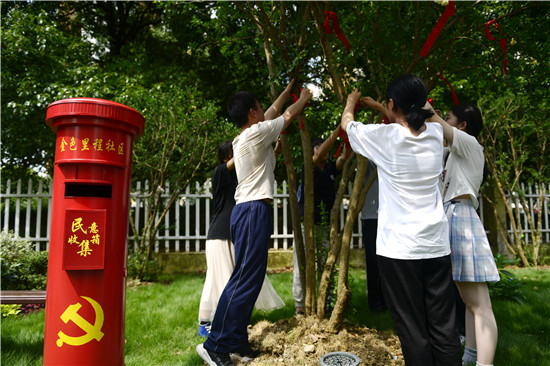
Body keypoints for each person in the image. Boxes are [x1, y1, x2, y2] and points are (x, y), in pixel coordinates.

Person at [341, 74, 462, 366]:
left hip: (398, 252)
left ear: (392, 104)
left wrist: (352, 102)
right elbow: (417, 116)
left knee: (413, 331)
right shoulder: (435, 136)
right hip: (435, 246)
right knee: (444, 329)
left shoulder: (385, 138)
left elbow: (348, 124)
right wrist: (394, 105)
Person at [197, 80, 312, 366]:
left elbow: (273, 110)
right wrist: (305, 97)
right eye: (260, 107)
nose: (264, 110)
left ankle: (235, 341)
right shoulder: (258, 133)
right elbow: (285, 116)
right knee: (244, 278)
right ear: (252, 113)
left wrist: (286, 91)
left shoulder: (245, 137)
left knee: (249, 277)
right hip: (252, 210)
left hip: (250, 210)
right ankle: (215, 345)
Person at [427, 103, 500, 366]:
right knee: (470, 302)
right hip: (454, 216)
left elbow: (432, 117)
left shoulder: (469, 142)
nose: (443, 121)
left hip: (462, 217)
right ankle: (471, 357)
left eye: (449, 118)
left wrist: (420, 98)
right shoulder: (454, 151)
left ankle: (484, 364)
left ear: (463, 125)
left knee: (480, 305)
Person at [198, 141, 284, 337]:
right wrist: (249, 145)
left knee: (236, 278)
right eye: (233, 152)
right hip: (219, 235)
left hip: (235, 233)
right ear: (225, 157)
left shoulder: (241, 178)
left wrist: (275, 151)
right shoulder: (219, 172)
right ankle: (206, 323)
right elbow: (241, 159)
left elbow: (261, 166)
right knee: (217, 280)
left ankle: (231, 320)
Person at [293, 126, 349, 315]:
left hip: (326, 225)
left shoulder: (330, 168)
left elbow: (342, 159)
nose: (323, 148)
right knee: (303, 264)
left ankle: (326, 303)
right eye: (318, 146)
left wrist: (347, 138)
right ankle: (300, 306)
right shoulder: (308, 166)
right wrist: (337, 130)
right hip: (307, 225)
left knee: (327, 263)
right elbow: (319, 155)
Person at [360, 159, 387, 312]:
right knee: (372, 260)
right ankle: (376, 302)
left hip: (390, 215)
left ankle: (389, 299)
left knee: (389, 261)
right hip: (371, 216)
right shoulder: (366, 154)